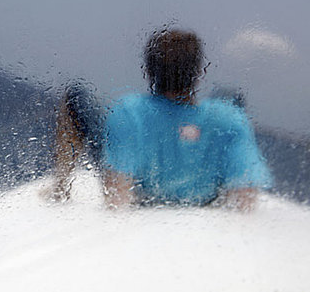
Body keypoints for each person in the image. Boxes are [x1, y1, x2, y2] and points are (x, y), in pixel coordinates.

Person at [51, 29, 272, 211]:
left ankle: (60, 188)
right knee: (231, 98)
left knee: (75, 97)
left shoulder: (129, 112)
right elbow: (245, 199)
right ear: (199, 73)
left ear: (148, 71)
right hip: (205, 194)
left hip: (147, 192)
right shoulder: (230, 118)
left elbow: (116, 197)